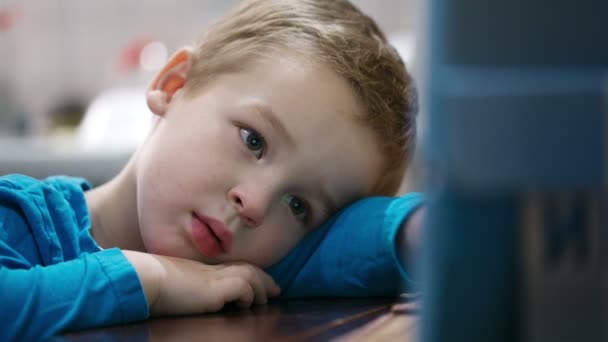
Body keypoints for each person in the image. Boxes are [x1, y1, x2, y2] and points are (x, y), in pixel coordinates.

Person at [0, 0, 423, 339]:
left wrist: (429, 229)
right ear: (175, 85)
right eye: (253, 140)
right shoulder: (18, 218)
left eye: (298, 205)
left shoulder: (255, 262)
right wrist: (153, 281)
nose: (255, 204)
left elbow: (359, 241)